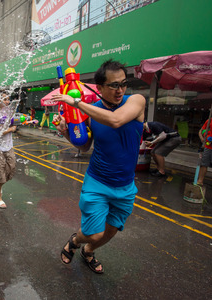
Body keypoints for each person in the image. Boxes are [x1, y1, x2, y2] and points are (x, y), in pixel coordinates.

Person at [51, 59, 145, 274]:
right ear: (100, 88)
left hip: (125, 186)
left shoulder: (136, 101)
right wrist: (65, 131)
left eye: (123, 83)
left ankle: (88, 252)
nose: (120, 90)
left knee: (111, 231)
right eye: (113, 85)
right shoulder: (91, 112)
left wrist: (75, 103)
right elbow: (84, 146)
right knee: (93, 233)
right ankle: (75, 241)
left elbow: (116, 120)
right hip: (97, 182)